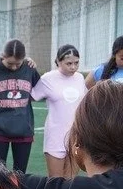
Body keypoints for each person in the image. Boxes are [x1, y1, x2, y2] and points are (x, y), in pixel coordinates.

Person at [0, 39, 40, 173]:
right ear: (3, 56)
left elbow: (40, 91)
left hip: (23, 130)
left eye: (17, 64)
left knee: (20, 174)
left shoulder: (29, 68)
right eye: (10, 63)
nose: (14, 67)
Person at [33, 45, 88, 178]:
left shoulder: (80, 78)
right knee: (55, 182)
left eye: (76, 63)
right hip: (55, 136)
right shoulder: (47, 78)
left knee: (70, 182)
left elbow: (85, 103)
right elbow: (30, 97)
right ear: (58, 61)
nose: (73, 67)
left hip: (76, 136)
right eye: (69, 63)